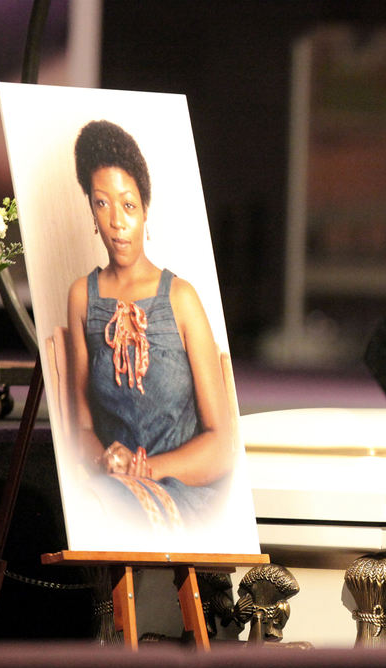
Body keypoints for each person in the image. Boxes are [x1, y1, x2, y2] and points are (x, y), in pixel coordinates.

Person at [66, 119, 234, 532]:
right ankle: (104, 601)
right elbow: (82, 427)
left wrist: (147, 470)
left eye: (128, 205)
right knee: (89, 502)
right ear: (90, 209)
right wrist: (104, 461)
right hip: (114, 488)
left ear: (145, 210)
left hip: (183, 492)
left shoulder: (181, 298)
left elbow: (221, 446)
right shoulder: (82, 297)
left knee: (100, 505)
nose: (117, 222)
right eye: (102, 204)